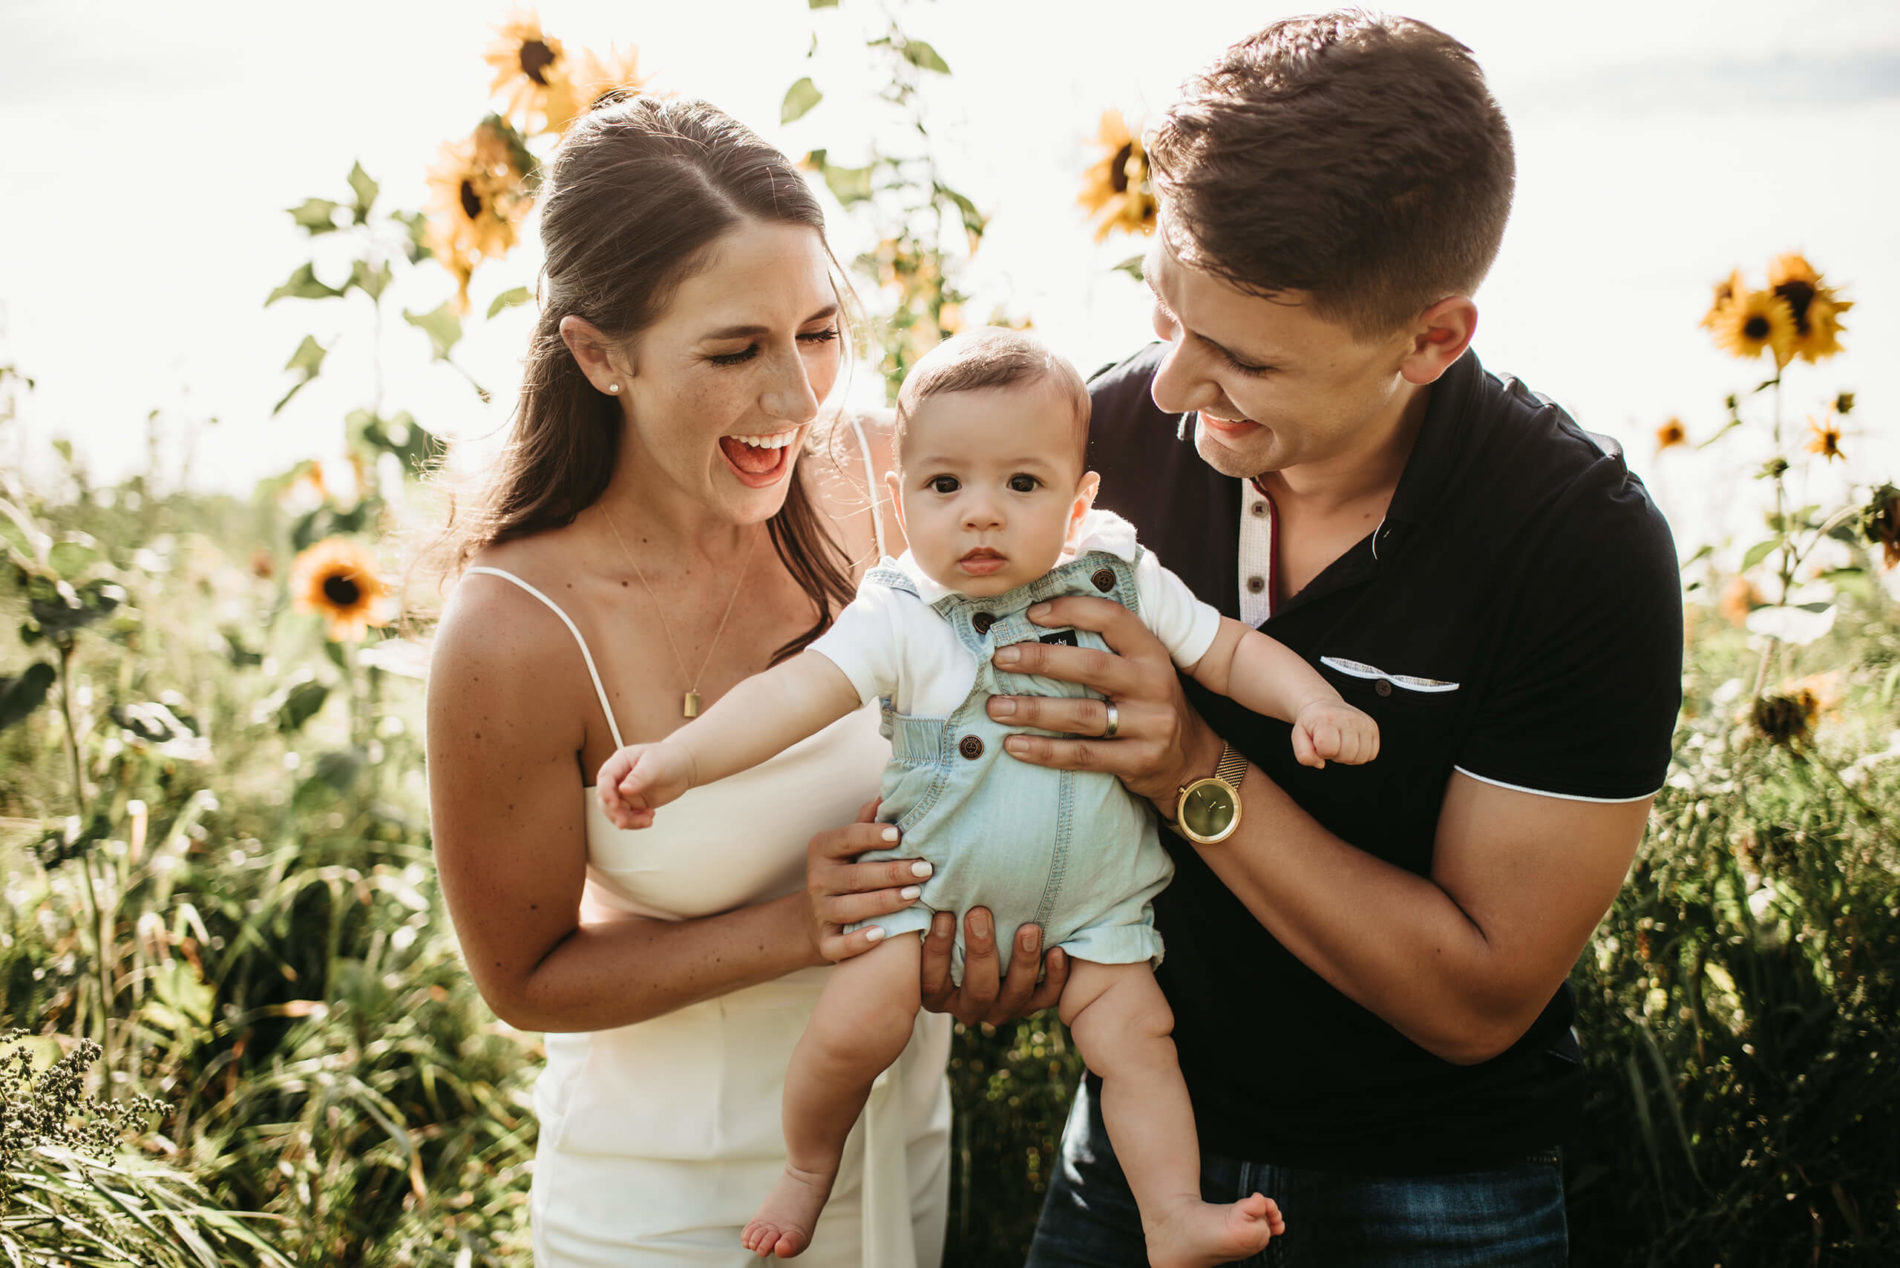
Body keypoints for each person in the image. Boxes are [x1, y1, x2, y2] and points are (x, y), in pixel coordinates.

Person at [892, 15, 1679, 1266]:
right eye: (1166, 314)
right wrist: (992, 942)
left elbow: (1478, 1000)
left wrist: (1189, 765)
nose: (1166, 389)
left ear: (1430, 340)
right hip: (1137, 1156)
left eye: (1241, 358)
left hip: (1440, 1193)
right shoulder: (1090, 453)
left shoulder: (1575, 542)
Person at [599, 327, 1380, 1263]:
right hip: (926, 896)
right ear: (900, 497)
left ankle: (1172, 1215)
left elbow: (1228, 649)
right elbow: (790, 697)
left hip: (1095, 906)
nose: (981, 515)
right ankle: (808, 1168)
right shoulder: (900, 613)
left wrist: (1313, 703)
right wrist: (680, 762)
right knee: (855, 1027)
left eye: (1022, 485)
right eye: (945, 486)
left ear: (1080, 500)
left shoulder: (1119, 575)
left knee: (1138, 1041)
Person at [425, 95, 984, 1267]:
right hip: (667, 1214)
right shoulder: (517, 628)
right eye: (735, 350)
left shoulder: (892, 483)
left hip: (904, 1162)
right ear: (598, 353)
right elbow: (525, 977)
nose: (797, 400)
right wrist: (801, 925)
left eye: (820, 331)